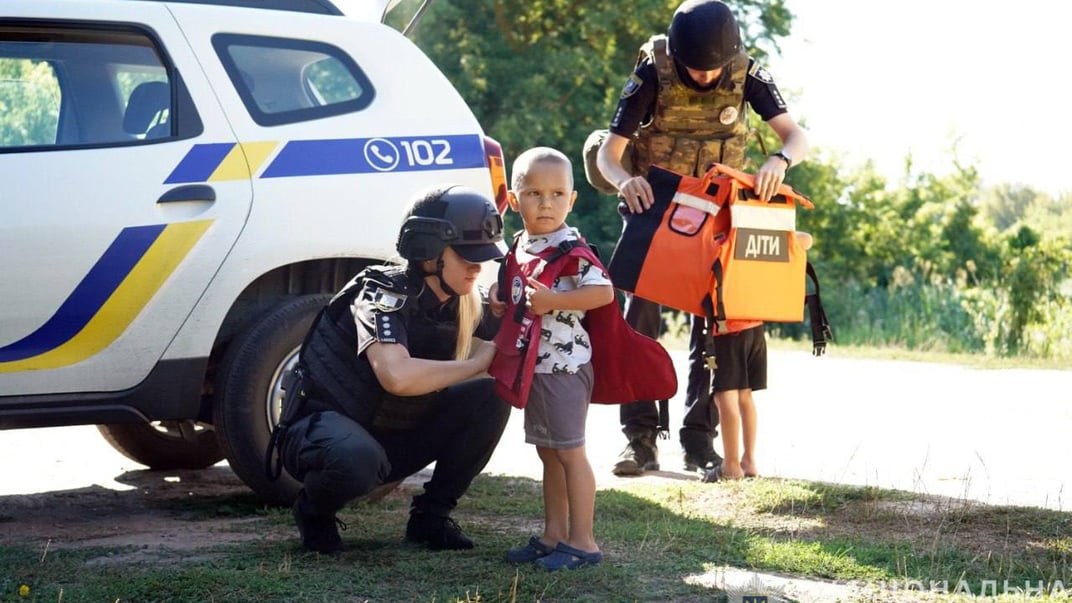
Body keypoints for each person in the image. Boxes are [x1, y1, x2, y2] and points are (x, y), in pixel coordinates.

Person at [594, 0, 809, 479]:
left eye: (714, 69)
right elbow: (611, 153)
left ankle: (699, 442)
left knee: (715, 324)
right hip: (658, 203)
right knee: (638, 320)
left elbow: (796, 136)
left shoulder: (748, 73)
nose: (707, 77)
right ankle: (640, 439)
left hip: (719, 209)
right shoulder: (655, 70)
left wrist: (779, 160)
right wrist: (623, 181)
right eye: (697, 68)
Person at [274, 185, 512, 554]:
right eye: (467, 256)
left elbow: (509, 323)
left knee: (491, 398)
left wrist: (509, 303)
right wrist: (476, 364)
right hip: (323, 433)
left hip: (388, 437)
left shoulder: (459, 300)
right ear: (430, 252)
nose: (477, 266)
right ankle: (313, 512)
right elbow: (396, 376)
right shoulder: (380, 293)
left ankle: (431, 519)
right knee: (356, 458)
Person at [490, 147, 611, 570]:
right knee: (549, 452)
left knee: (570, 452)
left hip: (565, 367)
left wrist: (556, 300)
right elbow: (522, 292)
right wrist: (501, 299)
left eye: (558, 194)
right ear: (513, 197)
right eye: (535, 193)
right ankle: (553, 534)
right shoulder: (523, 244)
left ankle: (584, 542)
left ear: (572, 200)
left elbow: (603, 292)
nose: (546, 203)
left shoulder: (568, 246)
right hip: (534, 366)